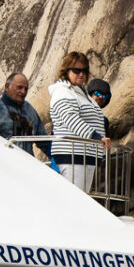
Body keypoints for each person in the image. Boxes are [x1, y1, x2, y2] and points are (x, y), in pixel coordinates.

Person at [47, 52, 109, 193]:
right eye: (76, 70)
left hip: (86, 157)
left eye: (84, 71)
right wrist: (97, 138)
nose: (81, 74)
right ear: (66, 71)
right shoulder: (62, 92)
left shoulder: (83, 93)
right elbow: (71, 119)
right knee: (72, 202)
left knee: (80, 202)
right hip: (72, 157)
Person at [0, 71, 45, 142]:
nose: (23, 92)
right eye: (20, 87)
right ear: (7, 87)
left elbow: (44, 141)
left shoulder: (30, 111)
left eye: (26, 89)